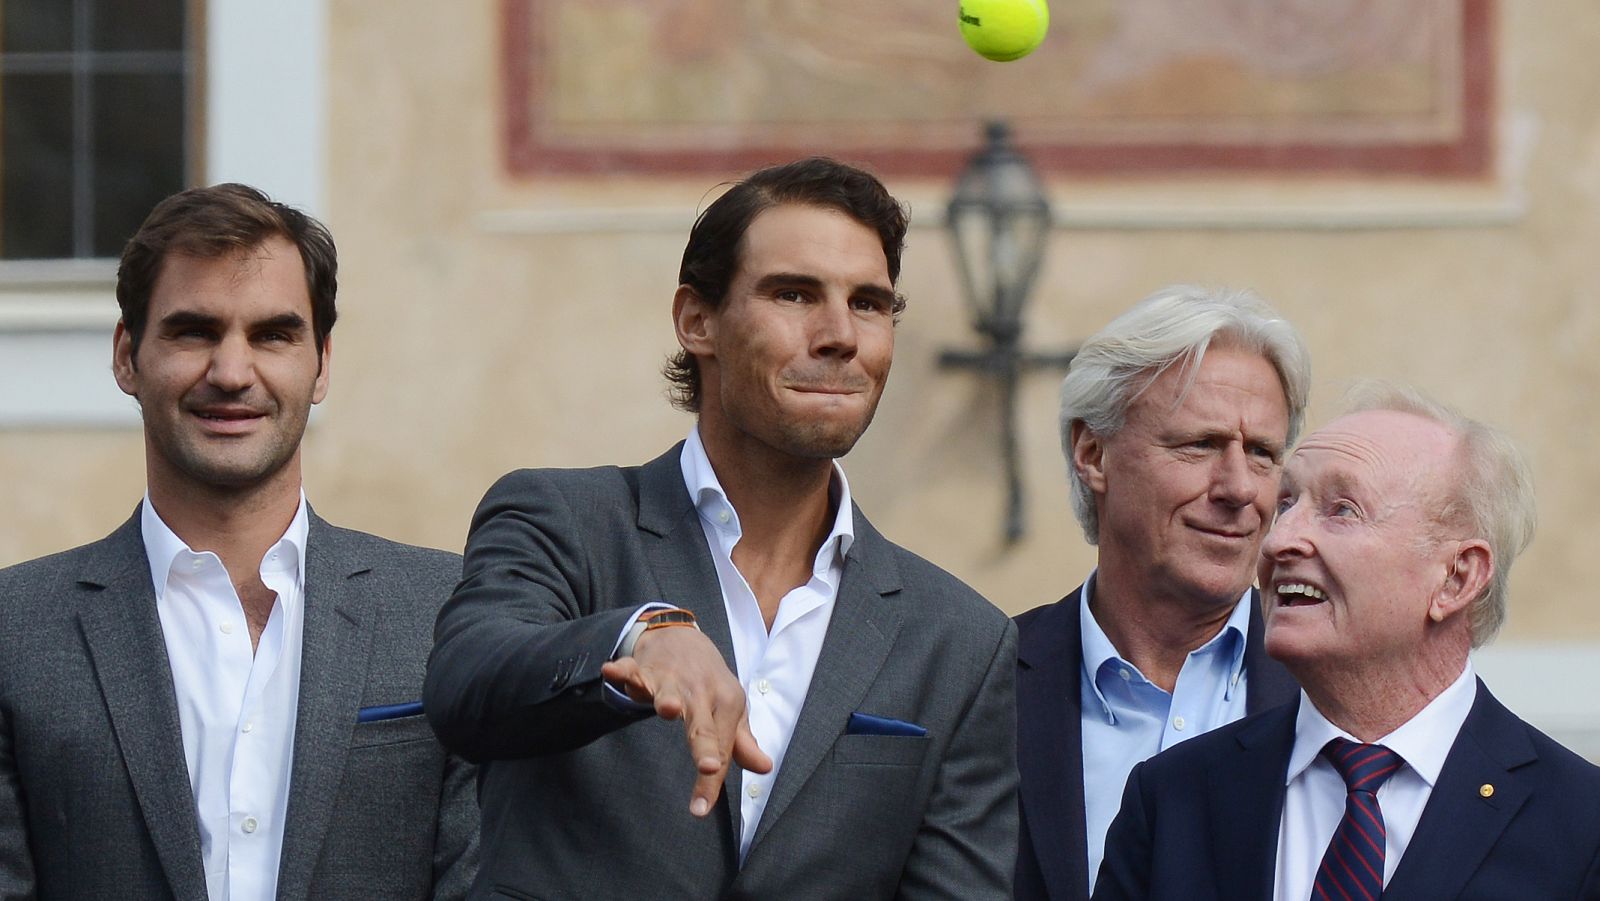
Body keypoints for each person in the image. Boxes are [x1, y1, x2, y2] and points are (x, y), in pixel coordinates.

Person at [424, 157, 1018, 899]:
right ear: (696, 320)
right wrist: (638, 637)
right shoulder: (562, 520)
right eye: (794, 294)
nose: (840, 334)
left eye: (868, 303)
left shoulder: (961, 639)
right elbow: (466, 685)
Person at [0, 184, 478, 900]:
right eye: (194, 332)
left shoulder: (447, 611)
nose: (230, 372)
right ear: (127, 357)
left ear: (322, 363)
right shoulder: (14, 628)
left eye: (272, 335)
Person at [1092, 383, 1600, 900]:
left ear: (1456, 578)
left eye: (1342, 510)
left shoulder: (1581, 827)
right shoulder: (1174, 797)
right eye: (1286, 503)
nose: (1278, 540)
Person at [1014, 286, 1310, 900]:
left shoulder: (1332, 688)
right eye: (1200, 444)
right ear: (1093, 454)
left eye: (1262, 453)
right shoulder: (979, 679)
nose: (1239, 488)